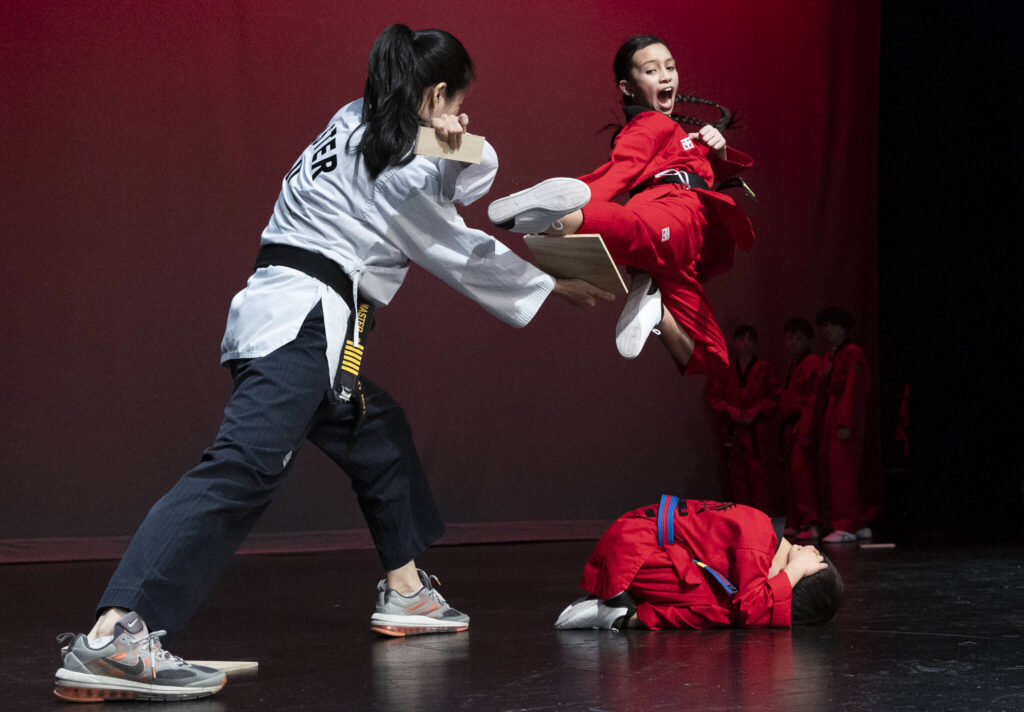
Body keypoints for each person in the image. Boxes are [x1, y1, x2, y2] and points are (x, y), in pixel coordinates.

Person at [53, 25, 612, 703]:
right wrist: (552, 282)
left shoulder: (352, 119)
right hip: (303, 326)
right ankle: (117, 633)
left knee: (379, 436)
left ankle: (406, 592)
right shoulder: (397, 168)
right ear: (436, 93)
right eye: (457, 102)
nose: (463, 118)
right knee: (241, 469)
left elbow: (466, 174)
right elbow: (453, 240)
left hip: (292, 323)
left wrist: (448, 133)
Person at [487, 34, 756, 375]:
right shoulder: (652, 123)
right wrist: (583, 197)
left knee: (713, 359)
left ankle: (655, 312)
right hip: (671, 216)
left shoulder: (681, 136)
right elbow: (620, 173)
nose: (665, 76)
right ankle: (556, 214)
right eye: (652, 70)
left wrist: (714, 151)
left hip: (680, 250)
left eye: (670, 67)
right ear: (629, 87)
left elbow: (691, 172)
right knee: (626, 225)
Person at [554, 496, 843, 630]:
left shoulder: (762, 534)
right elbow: (751, 610)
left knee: (731, 600)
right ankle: (621, 614)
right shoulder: (757, 544)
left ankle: (626, 611)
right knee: (728, 610)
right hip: (634, 553)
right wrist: (793, 573)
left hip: (636, 546)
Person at [706, 325, 779, 513]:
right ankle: (743, 516)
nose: (744, 344)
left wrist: (757, 410)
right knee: (736, 476)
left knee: (758, 475)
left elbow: (775, 396)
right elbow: (715, 397)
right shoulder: (726, 369)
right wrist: (730, 410)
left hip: (756, 429)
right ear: (734, 343)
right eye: (740, 340)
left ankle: (763, 516)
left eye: (749, 340)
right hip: (733, 429)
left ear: (755, 343)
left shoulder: (764, 368)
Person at [815, 307, 872, 543]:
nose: (828, 330)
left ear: (843, 328)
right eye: (825, 326)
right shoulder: (831, 356)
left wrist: (846, 422)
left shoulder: (853, 353)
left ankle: (846, 523)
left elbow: (854, 391)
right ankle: (855, 523)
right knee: (836, 472)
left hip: (843, 420)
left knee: (843, 474)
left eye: (832, 325)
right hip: (832, 418)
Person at [778, 318, 823, 540]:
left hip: (801, 424)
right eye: (790, 338)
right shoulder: (792, 365)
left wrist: (806, 430)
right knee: (793, 477)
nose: (793, 343)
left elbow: (810, 400)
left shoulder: (812, 362)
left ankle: (811, 521)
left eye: (799, 339)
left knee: (803, 475)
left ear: (807, 341)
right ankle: (796, 520)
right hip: (790, 425)